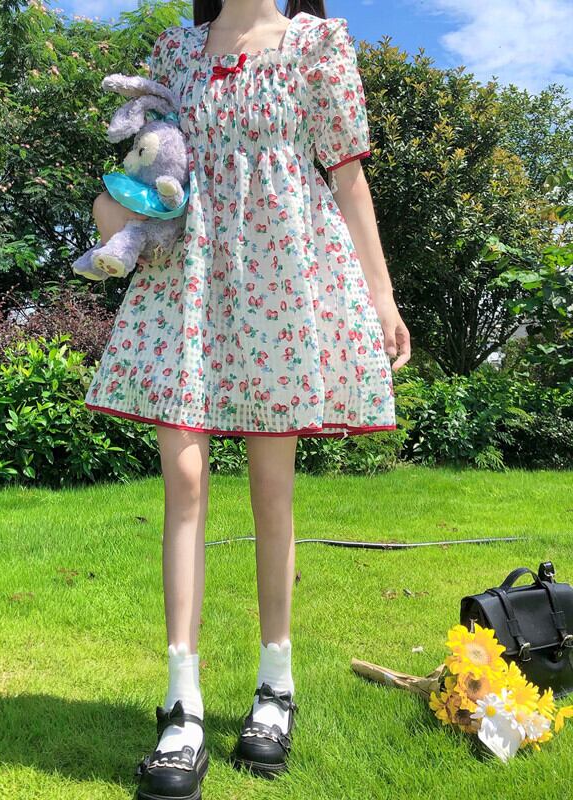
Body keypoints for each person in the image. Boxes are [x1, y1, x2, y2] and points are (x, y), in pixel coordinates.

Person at [84, 1, 411, 796]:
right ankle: (181, 703)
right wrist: (116, 208)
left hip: (281, 283)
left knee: (272, 490)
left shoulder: (316, 45)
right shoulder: (178, 51)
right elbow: (152, 158)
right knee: (185, 481)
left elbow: (347, 175)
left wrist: (381, 296)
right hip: (189, 286)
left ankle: (275, 685)